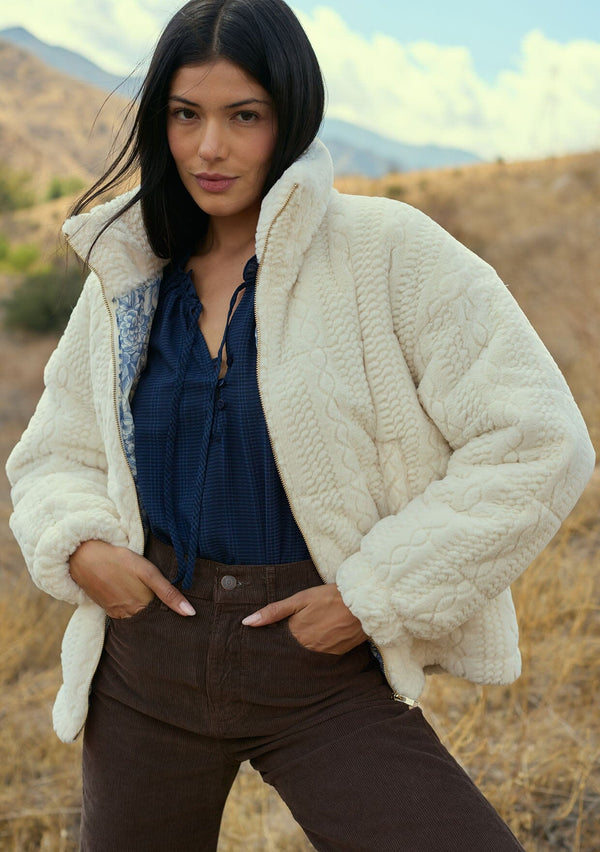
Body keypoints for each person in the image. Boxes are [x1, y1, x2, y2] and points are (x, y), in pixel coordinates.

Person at [6, 0, 595, 849]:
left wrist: (374, 596)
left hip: (318, 660)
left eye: (243, 116)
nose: (210, 147)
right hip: (145, 666)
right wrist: (83, 548)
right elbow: (51, 456)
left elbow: (541, 439)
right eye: (186, 115)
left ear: (290, 116)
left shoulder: (388, 251)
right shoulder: (134, 278)